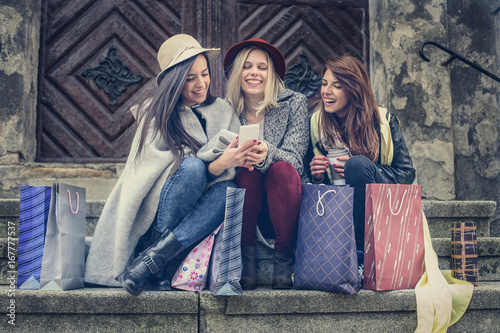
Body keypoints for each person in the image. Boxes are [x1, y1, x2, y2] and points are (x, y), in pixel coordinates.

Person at [84, 34, 255, 296]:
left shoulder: (224, 110)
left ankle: (150, 263)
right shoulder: (156, 115)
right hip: (162, 210)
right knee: (191, 168)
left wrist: (235, 159)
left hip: (202, 209)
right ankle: (155, 255)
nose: (201, 84)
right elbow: (149, 173)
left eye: (205, 74)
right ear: (174, 81)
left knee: (228, 191)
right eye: (190, 78)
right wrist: (216, 162)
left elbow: (223, 174)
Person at [223, 39, 309, 290]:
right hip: (245, 206)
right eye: (247, 66)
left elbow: (295, 160)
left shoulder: (294, 102)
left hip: (284, 205)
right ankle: (246, 264)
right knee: (245, 172)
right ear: (238, 72)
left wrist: (267, 153)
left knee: (281, 168)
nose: (254, 73)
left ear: (272, 74)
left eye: (262, 67)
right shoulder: (226, 108)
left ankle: (283, 264)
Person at [309, 55, 416, 257]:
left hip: (381, 211)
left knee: (357, 165)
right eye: (324, 84)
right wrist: (316, 175)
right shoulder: (316, 122)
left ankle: (360, 253)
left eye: (337, 86)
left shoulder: (383, 122)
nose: (326, 92)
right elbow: (312, 182)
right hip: (335, 210)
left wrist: (368, 169)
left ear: (354, 90)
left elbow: (407, 174)